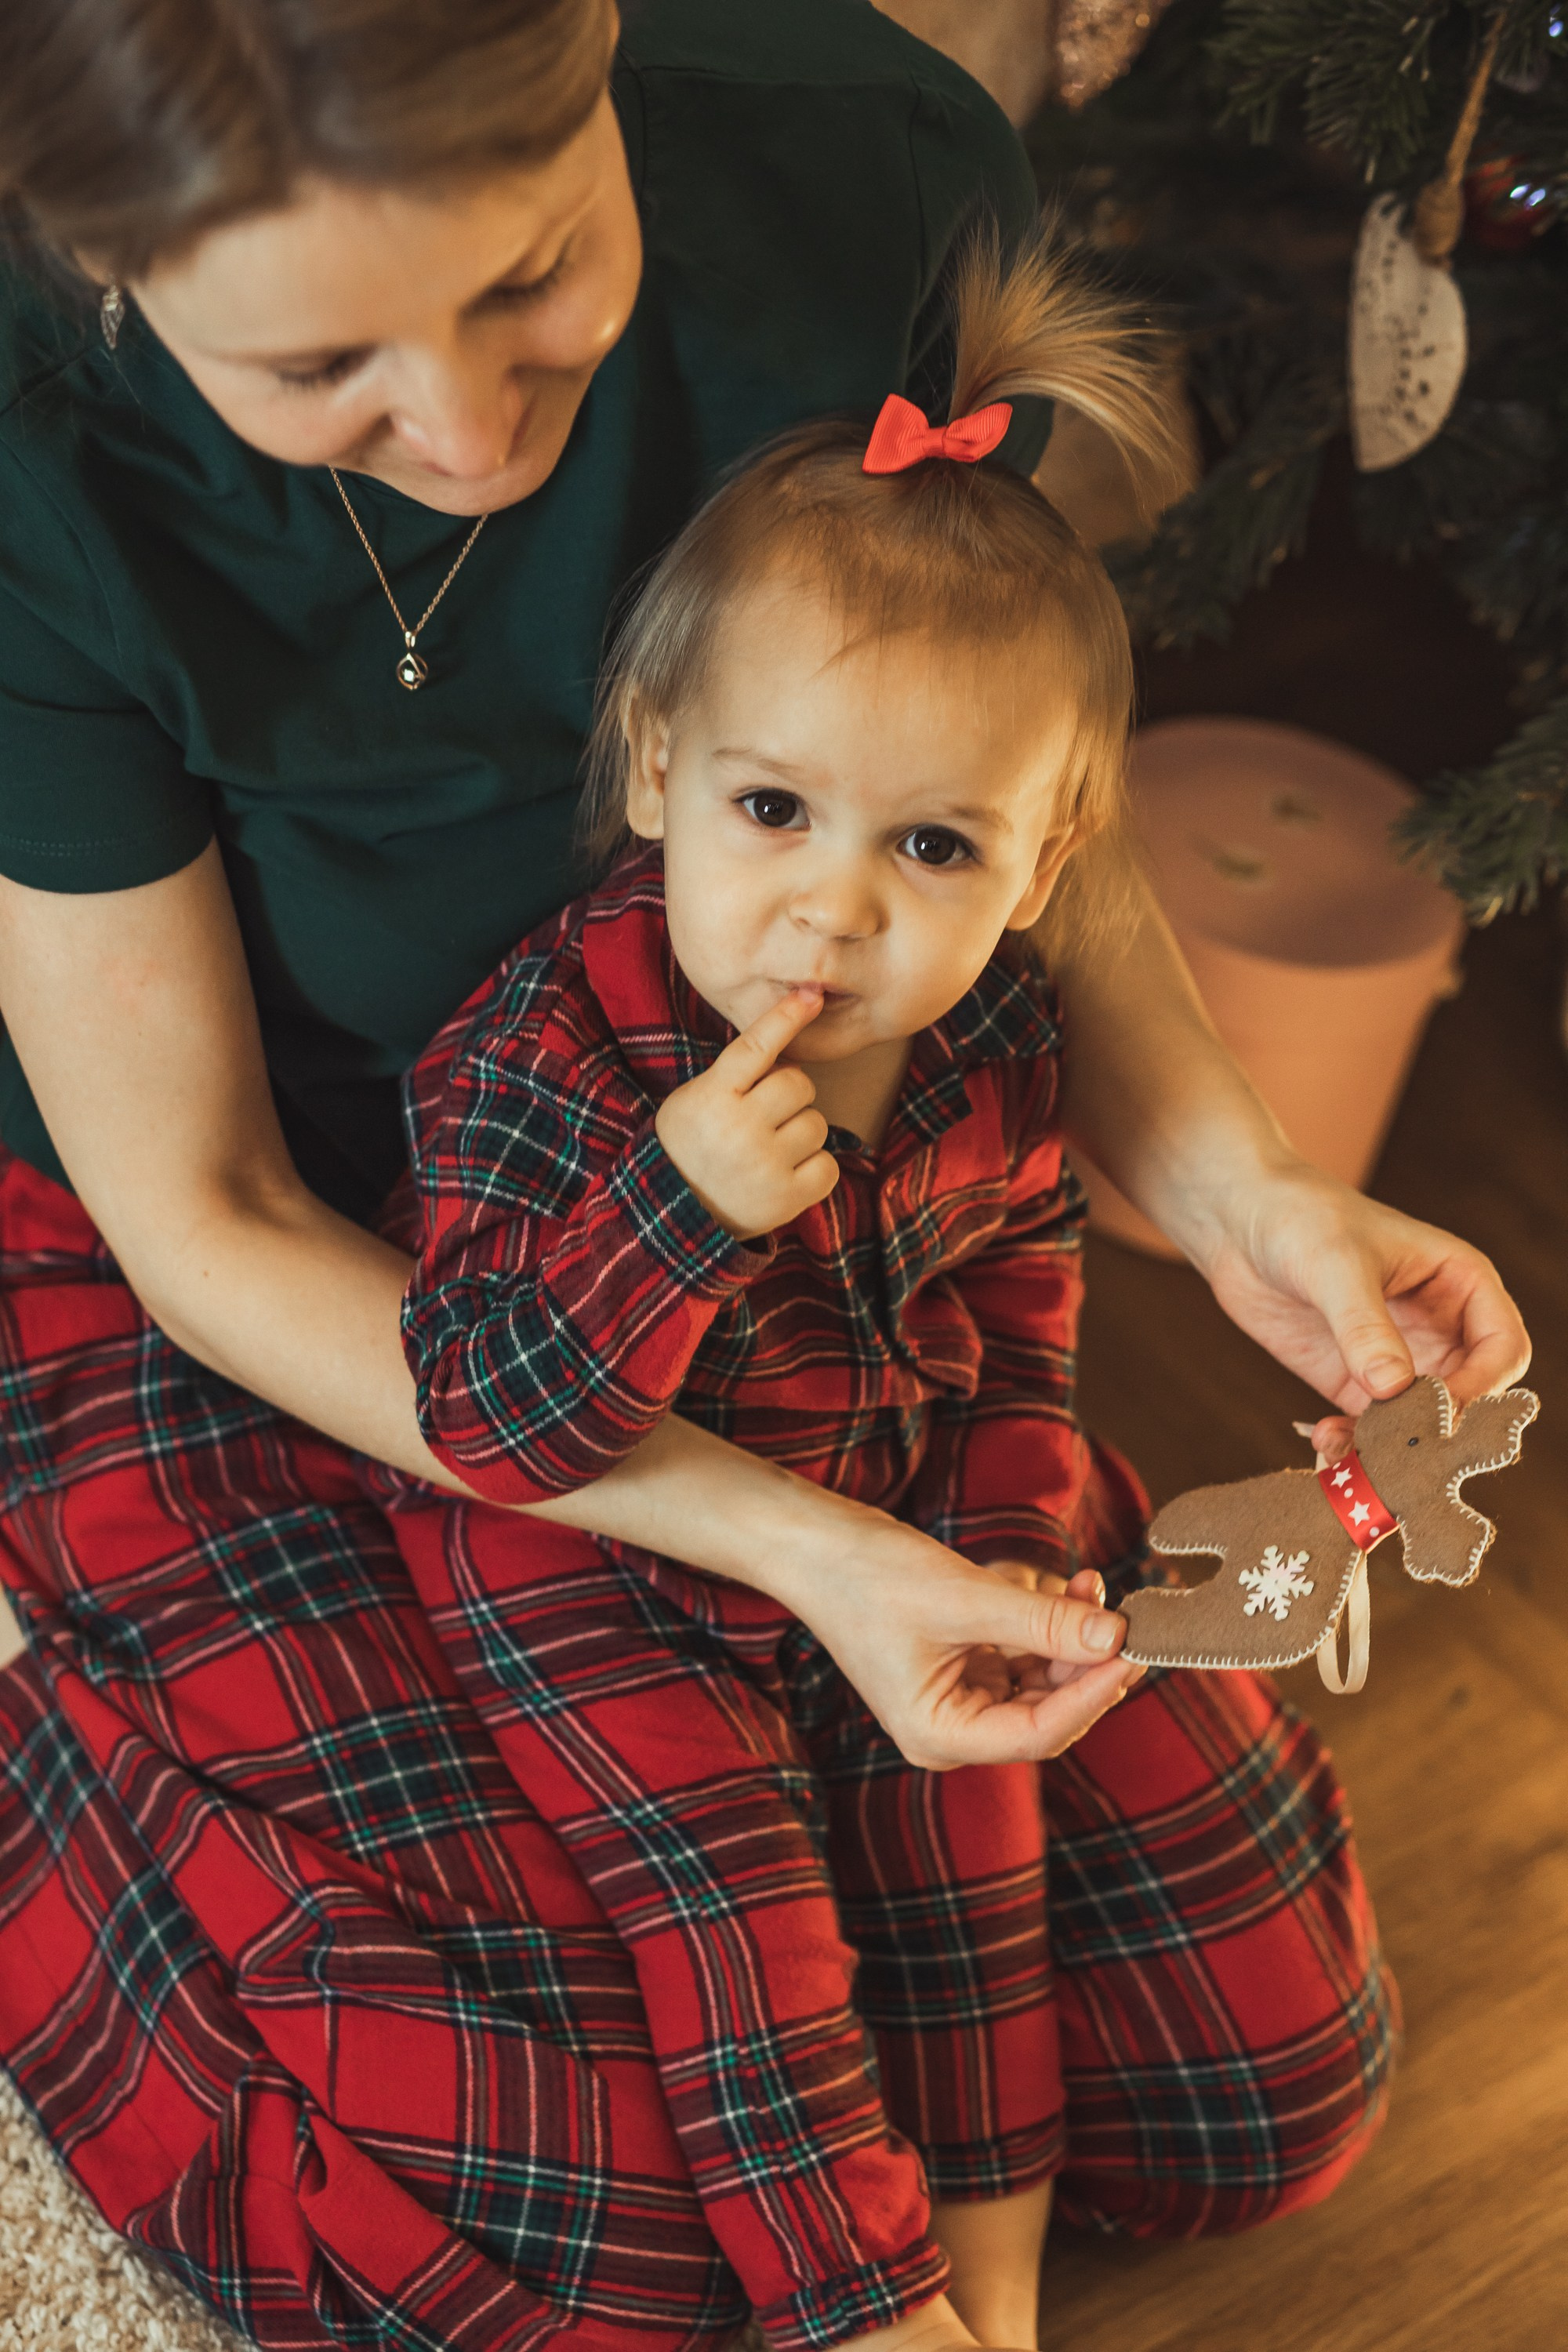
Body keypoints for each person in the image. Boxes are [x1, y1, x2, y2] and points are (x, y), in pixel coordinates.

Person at [0, 4, 1523, 2350]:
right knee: (577, 2253)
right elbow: (204, 1215)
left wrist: (1238, 1190)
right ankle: (74, 1748)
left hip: (765, 1201)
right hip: (267, 1243)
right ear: (97, 265)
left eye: (534, 281)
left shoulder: (863, 185)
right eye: (316, 370)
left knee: (1260, 2083)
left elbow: (993, 777)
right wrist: (805, 1551)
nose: (472, 433)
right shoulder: (31, 467)